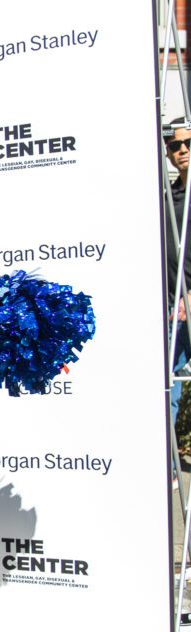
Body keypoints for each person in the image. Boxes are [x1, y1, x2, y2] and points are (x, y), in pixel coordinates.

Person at [164, 118, 191, 429]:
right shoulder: (169, 196)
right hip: (174, 308)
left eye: (188, 144)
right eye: (175, 146)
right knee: (169, 387)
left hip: (186, 302)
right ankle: (169, 472)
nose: (182, 150)